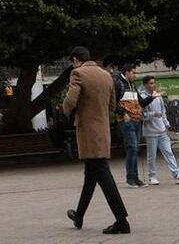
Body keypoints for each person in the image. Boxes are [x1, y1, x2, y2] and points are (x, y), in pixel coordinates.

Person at [63, 46, 130, 235]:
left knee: (102, 173)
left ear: (76, 60)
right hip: (103, 130)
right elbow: (111, 104)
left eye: (73, 62)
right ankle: (79, 214)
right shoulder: (105, 74)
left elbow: (69, 101)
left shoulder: (78, 73)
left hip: (87, 131)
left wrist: (67, 112)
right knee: (91, 174)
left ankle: (121, 220)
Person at [139, 76, 179, 186]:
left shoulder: (158, 97)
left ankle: (177, 174)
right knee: (152, 155)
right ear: (146, 85)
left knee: (168, 152)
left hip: (162, 130)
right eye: (151, 83)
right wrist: (153, 114)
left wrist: (167, 125)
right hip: (151, 131)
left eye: (154, 83)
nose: (154, 85)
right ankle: (152, 176)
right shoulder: (143, 98)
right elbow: (141, 115)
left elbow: (163, 112)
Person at [113, 63, 144, 188]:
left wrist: (152, 97)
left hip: (136, 120)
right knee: (132, 147)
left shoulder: (133, 86)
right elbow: (111, 102)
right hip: (126, 120)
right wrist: (122, 113)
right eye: (133, 73)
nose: (135, 75)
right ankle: (130, 177)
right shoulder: (118, 84)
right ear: (126, 72)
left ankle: (135, 177)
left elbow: (141, 101)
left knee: (136, 148)